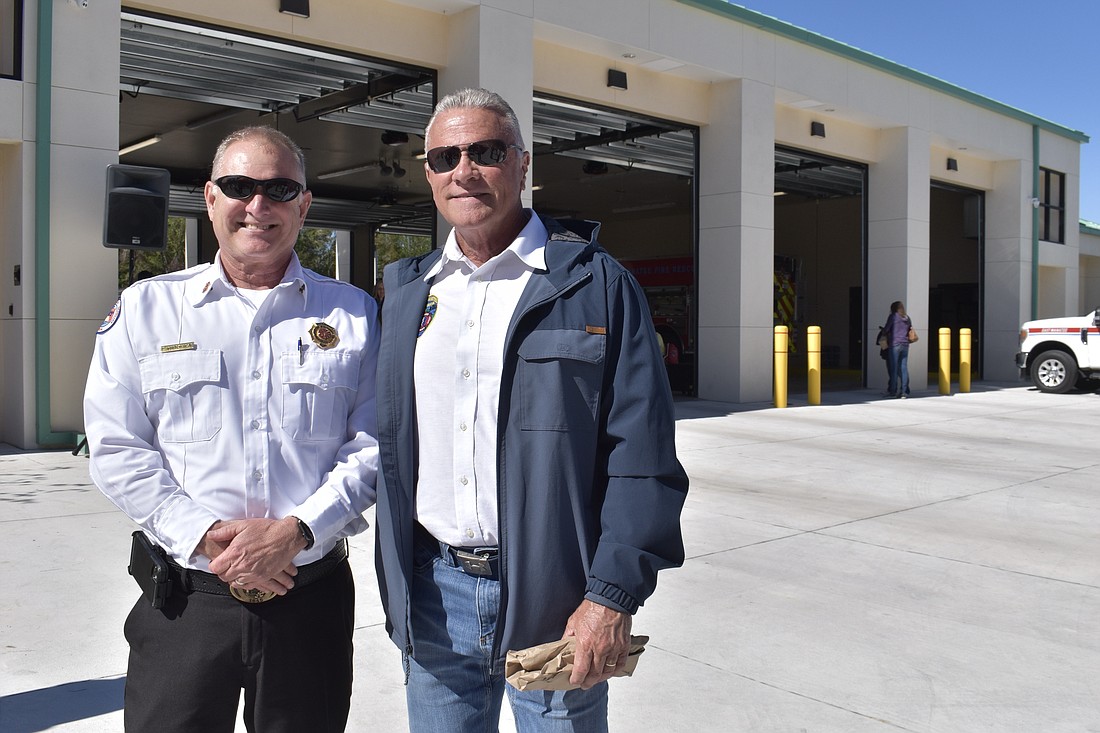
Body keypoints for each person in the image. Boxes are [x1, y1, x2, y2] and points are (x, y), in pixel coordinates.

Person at [373, 88, 689, 732]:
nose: (464, 170)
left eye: (485, 151)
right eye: (444, 157)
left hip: (558, 600)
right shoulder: (408, 294)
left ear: (523, 164)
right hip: (434, 597)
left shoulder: (595, 285)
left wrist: (611, 596)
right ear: (429, 176)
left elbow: (643, 458)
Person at [83, 126, 379, 733]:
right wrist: (211, 536)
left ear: (304, 203)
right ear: (211, 198)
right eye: (240, 187)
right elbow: (118, 448)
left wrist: (296, 531)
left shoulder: (355, 314)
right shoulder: (146, 308)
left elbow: (374, 446)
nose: (259, 205)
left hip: (309, 597)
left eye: (278, 188)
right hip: (189, 600)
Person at [883, 300, 913, 398]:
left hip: (895, 344)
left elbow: (887, 329)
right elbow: (909, 329)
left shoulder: (893, 316)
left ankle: (893, 391)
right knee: (903, 368)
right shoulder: (907, 318)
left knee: (894, 368)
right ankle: (904, 391)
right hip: (905, 345)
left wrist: (884, 332)